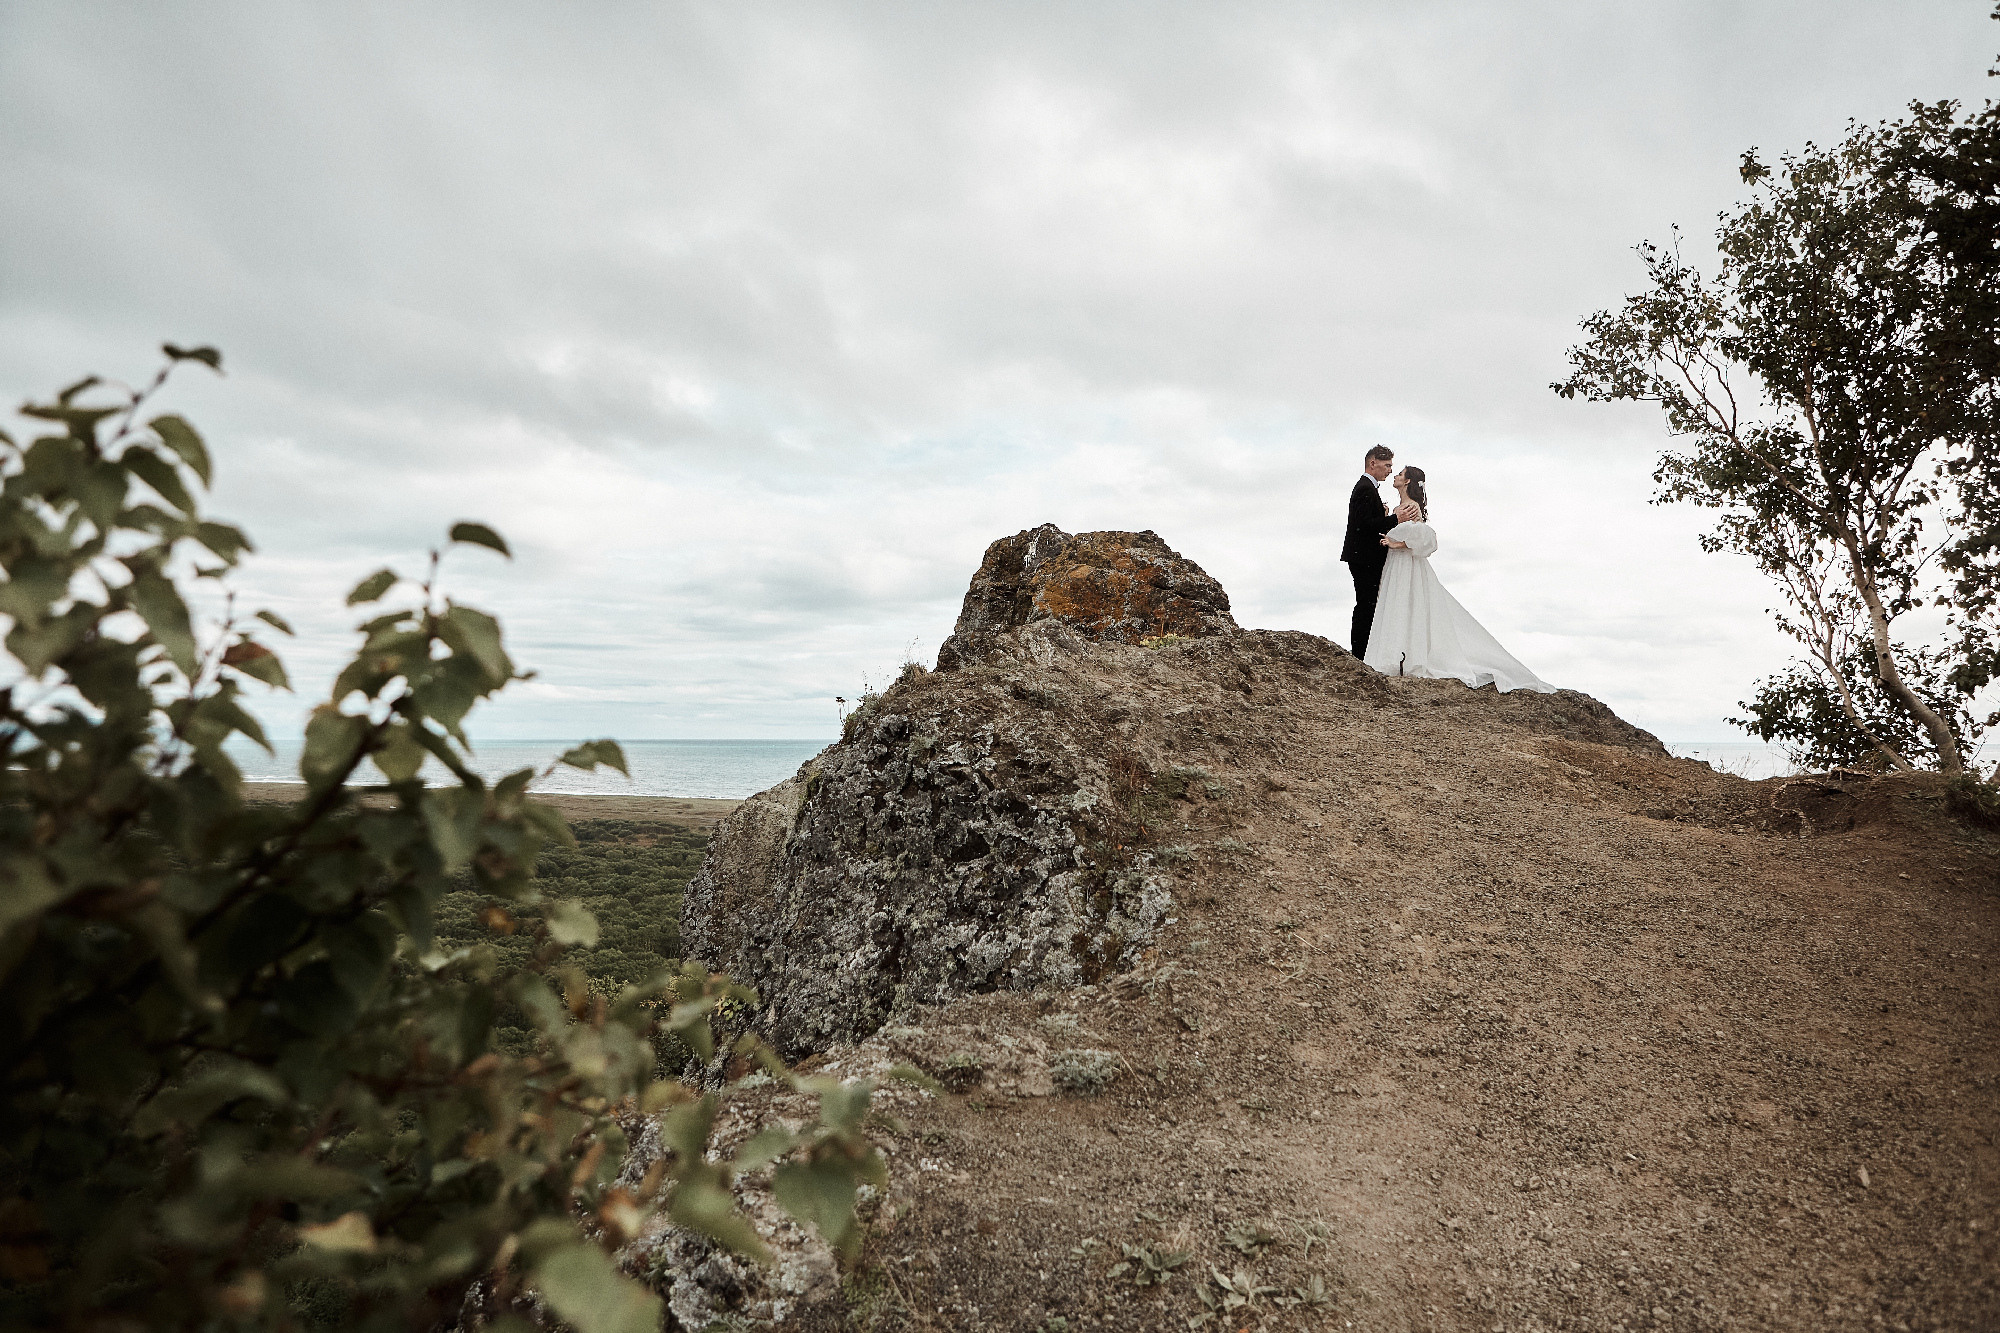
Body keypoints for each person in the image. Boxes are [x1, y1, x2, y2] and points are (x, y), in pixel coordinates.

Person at [1362, 465, 1556, 693]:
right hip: (1395, 566)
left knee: (1409, 605)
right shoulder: (1398, 508)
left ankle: (1409, 657)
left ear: (1407, 482)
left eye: (1400, 474)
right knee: (1398, 607)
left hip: (1407, 566)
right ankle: (1396, 656)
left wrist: (1398, 544)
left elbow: (1425, 537)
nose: (1395, 475)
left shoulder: (1412, 507)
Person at [1340, 445, 1418, 660]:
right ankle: (1360, 655)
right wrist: (1395, 519)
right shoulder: (1365, 488)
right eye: (1387, 465)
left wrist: (1382, 516)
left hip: (1363, 557)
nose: (1390, 471)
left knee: (1368, 605)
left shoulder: (1367, 487)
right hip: (1364, 558)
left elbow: (1367, 522)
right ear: (1373, 463)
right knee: (1366, 606)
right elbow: (1364, 526)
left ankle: (1364, 653)